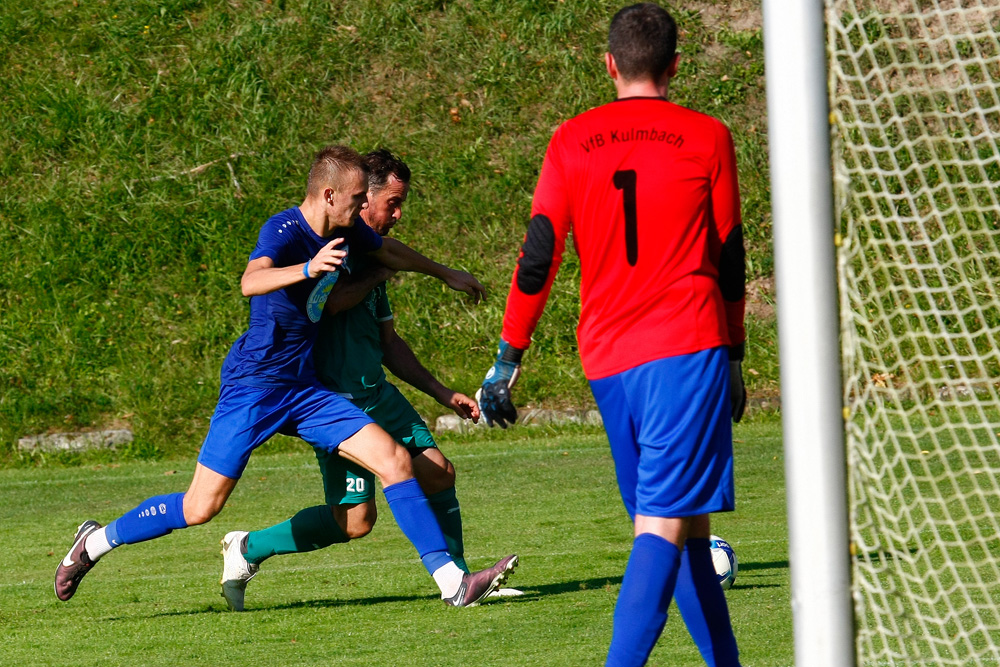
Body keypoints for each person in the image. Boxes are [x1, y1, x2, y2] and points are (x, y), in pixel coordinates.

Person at [56, 145, 517, 609]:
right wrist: (307, 269)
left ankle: (452, 582)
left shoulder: (347, 228)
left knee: (395, 460)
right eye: (358, 199)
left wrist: (444, 274)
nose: (362, 210)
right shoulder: (283, 229)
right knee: (201, 507)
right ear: (330, 195)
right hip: (255, 386)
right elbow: (250, 281)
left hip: (306, 390)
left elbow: (389, 251)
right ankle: (95, 542)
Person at [476, 4, 745, 665]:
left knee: (681, 527)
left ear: (609, 65)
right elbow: (730, 253)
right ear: (676, 67)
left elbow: (538, 255)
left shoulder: (572, 140)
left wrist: (508, 355)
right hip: (686, 346)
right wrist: (734, 353)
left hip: (608, 356)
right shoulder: (706, 136)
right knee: (663, 526)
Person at [218, 149, 520, 611]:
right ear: (361, 200)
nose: (397, 215)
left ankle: (464, 580)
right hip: (334, 401)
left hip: (376, 391)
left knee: (438, 473)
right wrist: (381, 272)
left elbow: (389, 342)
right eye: (391, 203)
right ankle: (248, 547)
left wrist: (442, 392)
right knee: (355, 522)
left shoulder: (374, 253)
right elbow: (330, 302)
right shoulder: (330, 246)